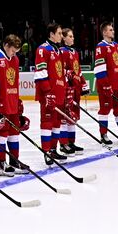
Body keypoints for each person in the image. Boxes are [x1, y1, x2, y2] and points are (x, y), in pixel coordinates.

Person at [0, 33, 31, 176]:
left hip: (12, 102)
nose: (14, 54)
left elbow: (14, 81)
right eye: (12, 50)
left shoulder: (15, 59)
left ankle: (14, 161)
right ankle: (1, 164)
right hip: (0, 103)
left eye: (16, 51)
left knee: (15, 133)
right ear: (6, 45)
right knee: (2, 134)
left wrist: (18, 100)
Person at [34, 21, 70, 165]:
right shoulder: (43, 49)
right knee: (47, 123)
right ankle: (47, 151)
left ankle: (53, 150)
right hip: (49, 95)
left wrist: (66, 89)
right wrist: (48, 92)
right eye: (60, 33)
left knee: (57, 123)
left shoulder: (58, 50)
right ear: (51, 34)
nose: (62, 36)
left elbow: (60, 74)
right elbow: (40, 72)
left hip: (59, 93)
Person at [92, 21, 118, 143]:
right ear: (104, 32)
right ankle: (103, 135)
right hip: (106, 86)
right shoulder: (100, 47)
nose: (113, 31)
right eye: (110, 29)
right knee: (105, 110)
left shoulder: (116, 46)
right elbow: (99, 69)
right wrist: (106, 85)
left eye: (112, 29)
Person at [60, 26, 86, 154]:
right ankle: (64, 144)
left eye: (73, 36)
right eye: (70, 36)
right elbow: (60, 70)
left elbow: (78, 70)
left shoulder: (74, 52)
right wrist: (67, 74)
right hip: (67, 89)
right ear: (63, 38)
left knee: (73, 116)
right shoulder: (61, 52)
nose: (72, 38)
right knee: (65, 116)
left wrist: (83, 83)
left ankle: (71, 142)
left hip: (75, 88)